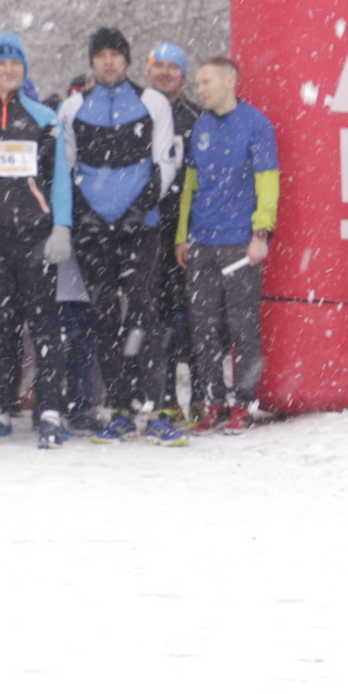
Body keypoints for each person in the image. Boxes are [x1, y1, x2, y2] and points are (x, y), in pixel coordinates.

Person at [57, 27, 179, 442]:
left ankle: (157, 408)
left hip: (139, 227)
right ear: (92, 61)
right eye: (101, 55)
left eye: (116, 54)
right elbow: (66, 168)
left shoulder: (152, 102)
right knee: (105, 318)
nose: (109, 61)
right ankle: (120, 409)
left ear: (127, 61)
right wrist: (86, 215)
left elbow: (165, 162)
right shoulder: (72, 107)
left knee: (145, 314)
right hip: (92, 230)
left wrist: (137, 210)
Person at [0, 32, 73, 446]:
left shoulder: (44, 118)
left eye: (15, 63)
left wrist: (62, 226)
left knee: (43, 325)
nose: (8, 69)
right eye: (1, 63)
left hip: (36, 237)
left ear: (24, 69)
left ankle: (51, 411)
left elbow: (59, 179)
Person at [172, 54, 278, 433]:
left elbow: (267, 181)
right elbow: (190, 187)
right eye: (197, 83)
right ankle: (213, 402)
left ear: (230, 80)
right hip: (201, 242)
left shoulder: (256, 125)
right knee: (202, 326)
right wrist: (182, 235)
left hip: (240, 244)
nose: (199, 89)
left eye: (206, 82)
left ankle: (244, 404)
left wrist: (261, 233)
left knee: (242, 325)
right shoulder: (199, 127)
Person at [147, 41, 200, 426]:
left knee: (197, 316)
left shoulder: (197, 116)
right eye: (159, 65)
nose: (166, 72)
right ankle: (164, 397)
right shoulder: (137, 111)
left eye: (173, 67)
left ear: (183, 74)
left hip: (190, 230)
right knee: (156, 317)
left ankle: (200, 397)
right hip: (147, 227)